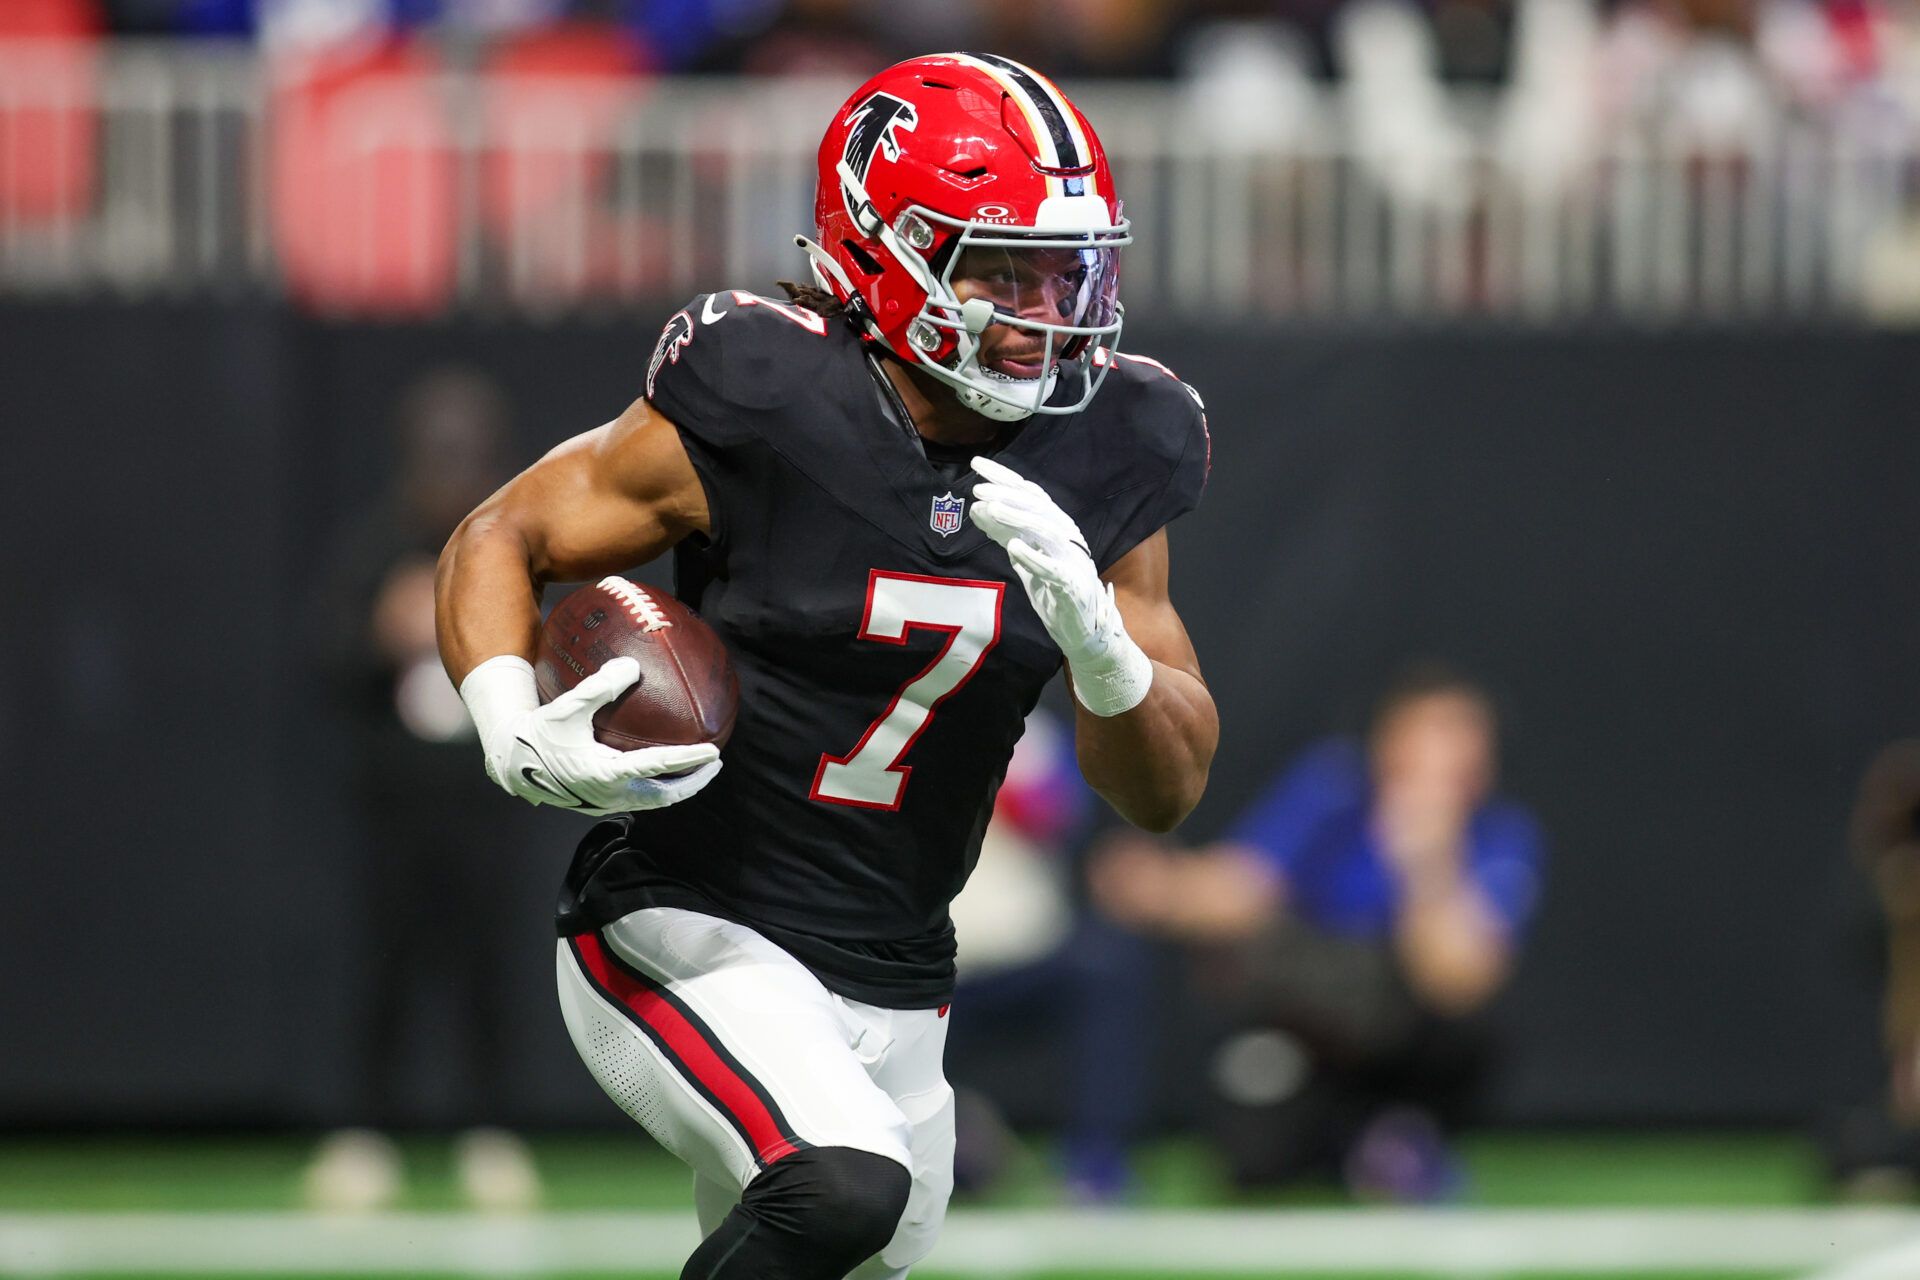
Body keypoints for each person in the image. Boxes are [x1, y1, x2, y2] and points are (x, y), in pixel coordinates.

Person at [435, 53, 1216, 1280]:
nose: (1044, 308)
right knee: (842, 1183)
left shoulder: (1115, 441)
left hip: (901, 970)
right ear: (881, 249)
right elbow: (505, 535)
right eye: (999, 266)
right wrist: (502, 719)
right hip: (686, 922)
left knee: (848, 1223)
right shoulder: (768, 392)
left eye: (1067, 268)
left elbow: (1166, 788)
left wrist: (1105, 655)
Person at [1092, 665, 1541, 1199]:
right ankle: (1357, 1148)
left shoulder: (1502, 837)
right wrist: (1163, 887)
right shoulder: (1332, 792)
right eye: (1432, 733)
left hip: (1409, 1040)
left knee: (1462, 1019)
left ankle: (1400, 1137)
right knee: (1254, 1157)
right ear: (1388, 742)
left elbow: (1458, 979)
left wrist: (1428, 863)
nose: (1450, 757)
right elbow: (1243, 889)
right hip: (1313, 1028)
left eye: (1465, 738)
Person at [308, 367, 544, 1213]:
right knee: (387, 964)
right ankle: (366, 1134)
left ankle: (492, 1133)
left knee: (490, 966)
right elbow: (328, 666)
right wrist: (381, 634)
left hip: (485, 795)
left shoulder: (512, 552)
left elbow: (555, 663)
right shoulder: (378, 549)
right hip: (396, 799)